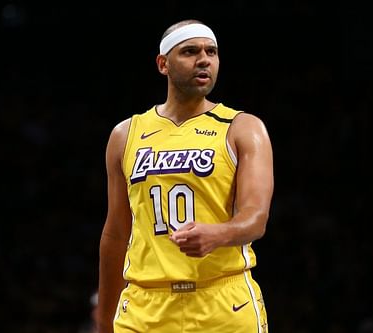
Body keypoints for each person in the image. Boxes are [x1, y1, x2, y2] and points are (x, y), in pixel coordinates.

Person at [96, 19, 274, 333]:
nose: (204, 59)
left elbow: (255, 218)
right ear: (163, 64)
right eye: (190, 51)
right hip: (145, 306)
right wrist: (104, 321)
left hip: (223, 302)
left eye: (212, 52)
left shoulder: (243, 128)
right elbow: (115, 234)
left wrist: (217, 234)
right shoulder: (125, 134)